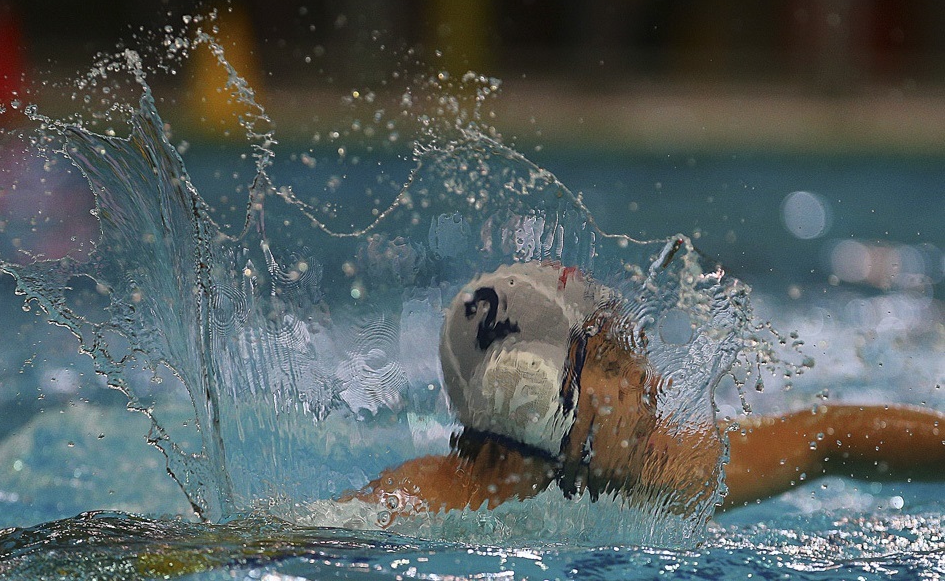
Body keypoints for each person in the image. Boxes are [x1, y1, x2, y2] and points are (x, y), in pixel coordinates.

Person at [342, 262, 945, 522]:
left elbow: (822, 437)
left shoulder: (645, 481)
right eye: (614, 363)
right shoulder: (408, 513)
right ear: (529, 394)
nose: (652, 383)